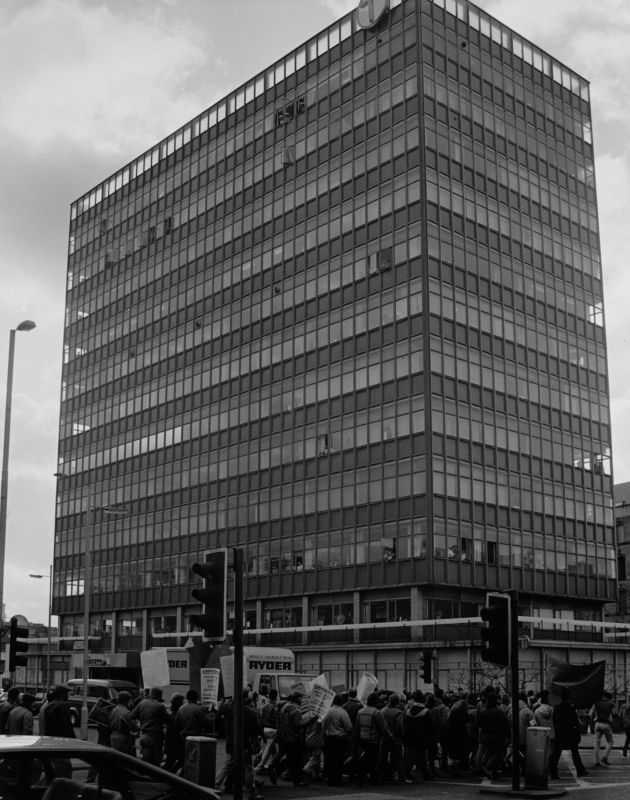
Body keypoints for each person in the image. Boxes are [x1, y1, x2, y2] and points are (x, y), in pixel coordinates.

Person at [548, 687, 588, 779]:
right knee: (575, 752)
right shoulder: (571, 707)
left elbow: (555, 721)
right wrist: (577, 734)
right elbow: (575, 722)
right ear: (569, 696)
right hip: (570, 734)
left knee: (556, 754)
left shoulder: (557, 708)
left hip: (560, 734)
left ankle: (553, 772)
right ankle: (580, 770)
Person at [130, 687, 169, 766]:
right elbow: (167, 720)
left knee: (146, 761)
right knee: (155, 763)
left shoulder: (142, 703)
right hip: (155, 737)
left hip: (143, 736)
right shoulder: (160, 706)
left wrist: (138, 726)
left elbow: (132, 716)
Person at [355, 692, 388, 786]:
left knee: (364, 758)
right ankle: (373, 778)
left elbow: (357, 726)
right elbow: (383, 727)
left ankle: (361, 776)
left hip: (362, 739)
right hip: (374, 740)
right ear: (375, 702)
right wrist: (388, 736)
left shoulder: (360, 711)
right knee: (373, 760)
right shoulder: (377, 712)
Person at [322, 693, 353, 786]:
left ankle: (330, 779)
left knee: (330, 760)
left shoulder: (328, 711)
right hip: (339, 739)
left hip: (328, 738)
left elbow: (323, 724)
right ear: (342, 702)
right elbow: (348, 727)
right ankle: (337, 780)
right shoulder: (342, 712)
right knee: (339, 760)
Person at [476, 691, 509, 779]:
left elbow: (479, 724)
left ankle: (492, 770)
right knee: (498, 753)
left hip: (486, 735)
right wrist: (506, 735)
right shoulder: (499, 711)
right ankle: (488, 765)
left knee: (489, 751)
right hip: (497, 735)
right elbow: (505, 724)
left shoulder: (484, 711)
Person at [380, 693, 410, 783]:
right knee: (398, 758)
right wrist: (402, 736)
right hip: (395, 738)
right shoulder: (398, 712)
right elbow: (400, 727)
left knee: (383, 758)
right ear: (397, 702)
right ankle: (401, 777)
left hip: (384, 737)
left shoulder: (382, 711)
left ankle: (384, 775)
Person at [109, 691, 139, 755]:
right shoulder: (126, 712)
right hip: (122, 738)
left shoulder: (114, 709)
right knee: (124, 758)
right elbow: (134, 727)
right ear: (126, 701)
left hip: (113, 736)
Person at [590, 691, 615, 767]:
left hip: (597, 724)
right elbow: (613, 713)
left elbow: (591, 713)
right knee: (610, 741)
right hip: (605, 724)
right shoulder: (611, 704)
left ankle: (596, 762)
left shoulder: (597, 702)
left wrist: (593, 719)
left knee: (597, 743)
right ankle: (605, 757)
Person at [163, 693, 185, 772]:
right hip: (177, 741)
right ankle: (169, 775)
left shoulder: (171, 714)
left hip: (170, 742)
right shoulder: (179, 714)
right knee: (182, 759)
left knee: (169, 762)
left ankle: (168, 774)